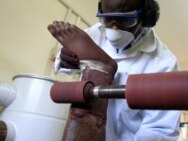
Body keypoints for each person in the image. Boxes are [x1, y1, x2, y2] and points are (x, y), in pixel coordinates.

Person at [48, 0, 181, 140]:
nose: (113, 28)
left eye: (124, 20)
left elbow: (159, 129)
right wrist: (65, 61)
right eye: (106, 19)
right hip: (86, 126)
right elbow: (64, 68)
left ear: (146, 16)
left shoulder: (164, 63)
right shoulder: (94, 33)